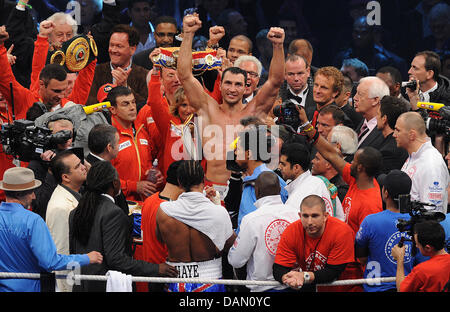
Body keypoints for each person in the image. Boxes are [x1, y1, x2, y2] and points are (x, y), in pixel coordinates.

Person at [177, 13, 285, 188]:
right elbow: (185, 76)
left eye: (237, 84)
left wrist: (278, 45)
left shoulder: (254, 111)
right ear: (220, 86)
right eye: (228, 83)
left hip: (246, 187)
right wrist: (188, 33)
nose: (232, 89)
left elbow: (275, 81)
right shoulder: (208, 108)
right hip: (213, 188)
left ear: (245, 88)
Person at [69, 161, 178, 292]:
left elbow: (73, 254)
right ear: (115, 183)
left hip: (80, 285)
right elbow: (117, 259)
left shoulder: (75, 212)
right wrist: (156, 269)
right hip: (106, 286)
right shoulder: (112, 213)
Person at [0, 167, 103, 292]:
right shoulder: (32, 221)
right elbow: (50, 262)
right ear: (18, 194)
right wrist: (87, 258)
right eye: (31, 192)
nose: (33, 196)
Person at [155, 160, 236, 292]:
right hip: (209, 281)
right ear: (203, 179)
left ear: (179, 182)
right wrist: (216, 207)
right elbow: (231, 245)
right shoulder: (217, 212)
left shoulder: (164, 211)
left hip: (176, 281)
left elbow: (160, 238)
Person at [228, 171, 299, 292]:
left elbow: (236, 260)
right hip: (294, 284)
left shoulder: (251, 220)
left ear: (257, 191)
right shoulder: (296, 214)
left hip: (264, 288)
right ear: (280, 189)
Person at [273, 195, 356, 292]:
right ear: (300, 216)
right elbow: (278, 268)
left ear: (325, 216)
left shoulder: (341, 231)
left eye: (315, 216)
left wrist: (304, 276)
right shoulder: (291, 231)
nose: (309, 222)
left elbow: (333, 272)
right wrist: (288, 278)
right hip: (312, 284)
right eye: (305, 216)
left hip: (344, 287)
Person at [355, 169, 415, 292]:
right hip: (408, 287)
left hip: (377, 288)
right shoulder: (418, 220)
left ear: (385, 192)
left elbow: (361, 257)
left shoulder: (370, 221)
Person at [107, 86, 162, 202]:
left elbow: (149, 162)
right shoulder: (109, 136)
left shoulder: (141, 131)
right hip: (122, 204)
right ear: (113, 109)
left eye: (133, 102)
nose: (132, 107)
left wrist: (155, 173)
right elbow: (105, 178)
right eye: (125, 104)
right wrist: (134, 186)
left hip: (145, 202)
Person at [45, 149, 87, 292]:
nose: (84, 167)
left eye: (81, 163)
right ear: (66, 177)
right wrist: (68, 288)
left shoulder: (75, 193)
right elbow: (62, 251)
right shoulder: (60, 207)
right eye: (77, 167)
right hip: (69, 282)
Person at [233, 126, 288, 231]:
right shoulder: (252, 178)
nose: (235, 153)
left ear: (248, 153)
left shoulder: (271, 182)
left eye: (238, 149)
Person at [141, 160, 184, 292]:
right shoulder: (172, 210)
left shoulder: (149, 201)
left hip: (150, 272)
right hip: (166, 275)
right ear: (182, 182)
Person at [393, 111, 449, 213]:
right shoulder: (414, 156)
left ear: (412, 135)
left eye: (398, 130)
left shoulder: (431, 164)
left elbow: (432, 212)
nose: (394, 135)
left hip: (420, 227)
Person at [279, 142, 344, 221]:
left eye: (283, 164)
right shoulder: (320, 182)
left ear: (296, 167)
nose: (279, 167)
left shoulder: (298, 197)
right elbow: (340, 217)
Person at [87, 24, 149, 106]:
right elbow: (89, 103)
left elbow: (145, 107)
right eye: (111, 45)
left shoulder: (144, 75)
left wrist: (125, 88)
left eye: (119, 46)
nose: (113, 50)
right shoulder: (96, 72)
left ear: (132, 49)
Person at [392, 220, 450, 292]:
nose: (416, 246)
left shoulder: (422, 270)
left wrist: (399, 259)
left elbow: (401, 290)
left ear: (427, 248)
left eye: (417, 243)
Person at [85, 123, 129, 216]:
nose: (119, 146)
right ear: (109, 147)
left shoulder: (89, 164)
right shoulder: (101, 174)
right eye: (118, 142)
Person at [353, 76, 390, 151]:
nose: (355, 98)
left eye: (360, 94)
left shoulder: (385, 131)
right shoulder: (362, 122)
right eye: (356, 93)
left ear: (375, 100)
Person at [375, 96, 409, 174]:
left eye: (377, 114)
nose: (376, 117)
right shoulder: (399, 142)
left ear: (384, 119)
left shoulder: (389, 151)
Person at [277, 54, 316, 121]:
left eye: (300, 73)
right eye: (291, 74)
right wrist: (274, 128)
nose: (296, 78)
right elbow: (261, 130)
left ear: (308, 72)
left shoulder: (318, 97)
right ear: (285, 74)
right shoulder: (276, 98)